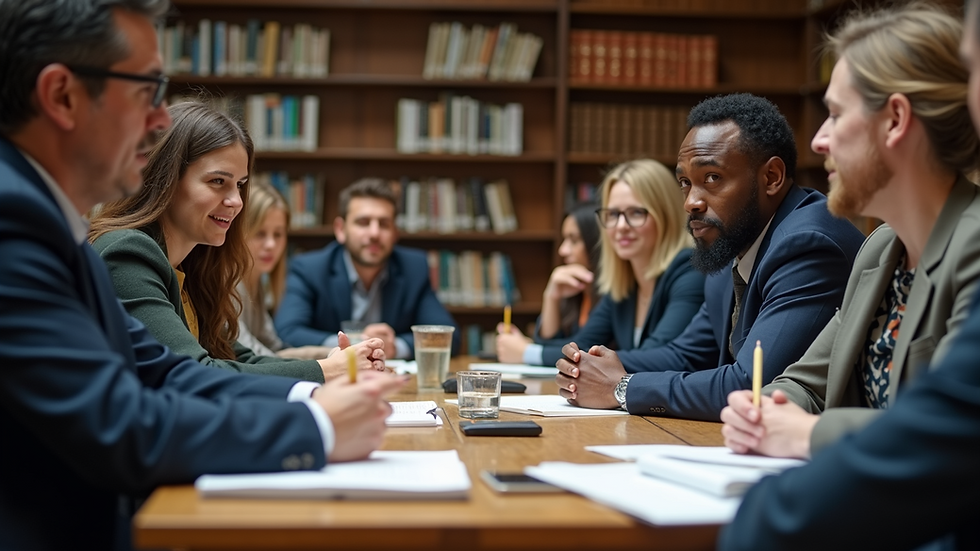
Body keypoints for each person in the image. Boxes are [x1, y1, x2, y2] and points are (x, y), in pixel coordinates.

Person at [0, 1, 404, 548]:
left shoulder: (50, 220)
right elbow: (120, 425)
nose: (160, 120)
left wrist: (315, 396)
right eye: (146, 90)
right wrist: (318, 425)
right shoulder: (17, 222)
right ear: (62, 96)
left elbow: (167, 372)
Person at [719, 3, 980, 549]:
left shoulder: (973, 242)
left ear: (896, 121)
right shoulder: (879, 248)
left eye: (835, 115)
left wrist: (809, 434)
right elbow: (808, 379)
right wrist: (767, 409)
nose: (817, 141)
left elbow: (950, 434)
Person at [555, 94, 865, 420]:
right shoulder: (730, 245)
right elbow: (687, 354)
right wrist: (591, 365)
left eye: (712, 178)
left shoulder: (807, 245)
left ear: (771, 177)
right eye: (685, 183)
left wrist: (623, 388)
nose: (691, 202)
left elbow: (752, 384)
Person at [89, 101, 383, 383]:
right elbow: (192, 373)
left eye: (240, 185)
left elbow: (240, 359)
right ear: (167, 179)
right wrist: (326, 371)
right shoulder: (125, 254)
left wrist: (332, 365)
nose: (236, 201)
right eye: (218, 181)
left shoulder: (195, 266)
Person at [497, 160, 704, 367]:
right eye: (613, 214)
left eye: (636, 213)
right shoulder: (624, 285)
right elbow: (580, 346)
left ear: (665, 216)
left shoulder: (689, 270)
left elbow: (657, 356)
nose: (621, 226)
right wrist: (550, 297)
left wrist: (526, 352)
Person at [276, 177, 461, 358]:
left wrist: (393, 347)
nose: (374, 233)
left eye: (384, 224)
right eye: (363, 222)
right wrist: (357, 343)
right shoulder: (310, 268)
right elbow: (287, 332)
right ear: (341, 229)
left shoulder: (414, 268)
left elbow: (447, 336)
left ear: (395, 233)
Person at [495, 201, 602, 363]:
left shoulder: (611, 298)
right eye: (564, 239)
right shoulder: (576, 292)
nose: (562, 250)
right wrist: (551, 296)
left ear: (596, 244)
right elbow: (547, 344)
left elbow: (583, 351)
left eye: (573, 241)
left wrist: (524, 350)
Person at [238, 180, 333, 359]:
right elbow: (249, 355)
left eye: (278, 234)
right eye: (260, 233)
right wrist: (328, 361)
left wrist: (333, 353)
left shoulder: (256, 280)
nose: (271, 244)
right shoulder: (228, 283)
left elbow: (274, 348)